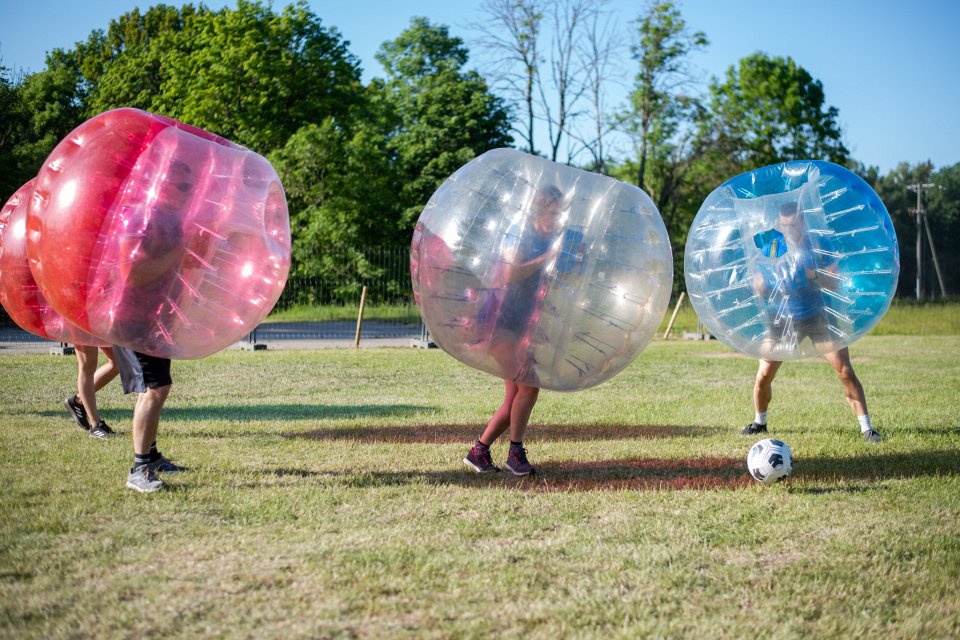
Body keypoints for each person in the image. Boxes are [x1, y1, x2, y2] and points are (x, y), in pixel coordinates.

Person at [740, 201, 882, 443]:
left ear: (802, 222)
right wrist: (765, 283)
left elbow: (835, 281)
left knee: (844, 371)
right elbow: (758, 286)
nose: (789, 229)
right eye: (784, 225)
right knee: (764, 375)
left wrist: (810, 275)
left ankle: (867, 428)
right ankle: (759, 422)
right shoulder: (772, 245)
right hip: (782, 318)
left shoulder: (817, 243)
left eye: (793, 224)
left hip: (817, 316)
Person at [464, 185, 564, 476]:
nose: (557, 218)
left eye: (560, 213)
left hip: (521, 325)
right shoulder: (523, 235)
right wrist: (548, 257)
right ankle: (514, 455)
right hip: (500, 321)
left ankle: (478, 453)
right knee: (529, 387)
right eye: (554, 212)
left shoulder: (548, 238)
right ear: (541, 209)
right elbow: (511, 273)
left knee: (514, 396)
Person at [114, 158, 193, 493]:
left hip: (157, 319)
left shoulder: (171, 221)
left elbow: (175, 267)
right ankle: (139, 468)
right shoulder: (141, 218)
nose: (189, 193)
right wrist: (180, 254)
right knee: (155, 389)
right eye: (183, 186)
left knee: (161, 388)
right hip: (133, 317)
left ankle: (153, 455)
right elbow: (130, 274)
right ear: (162, 184)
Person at [63, 345, 119, 438]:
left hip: (102, 329)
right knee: (88, 364)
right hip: (83, 330)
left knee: (119, 360)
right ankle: (96, 425)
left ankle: (79, 401)